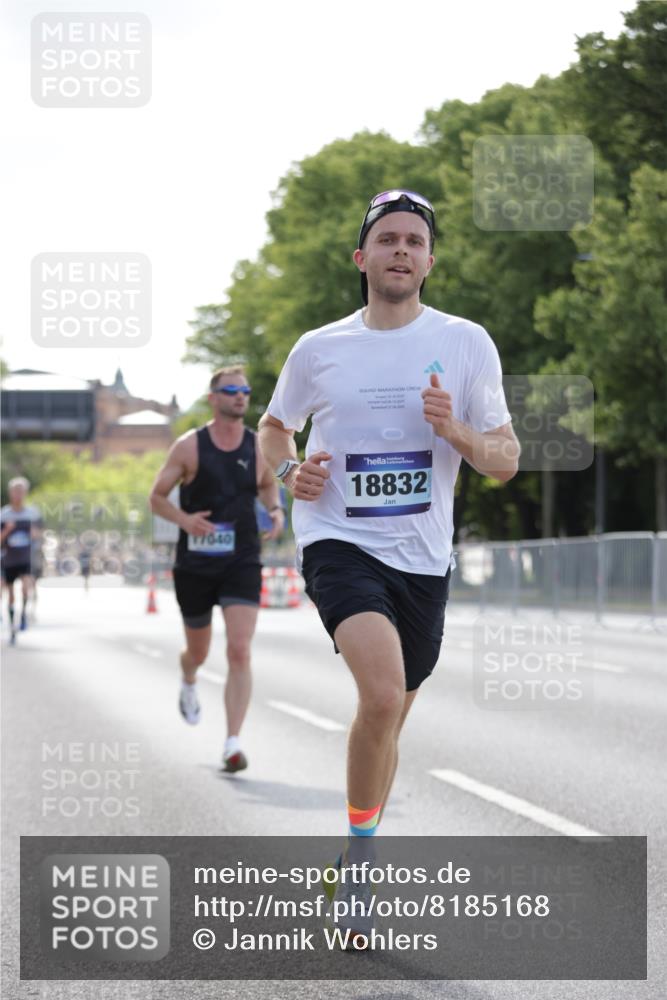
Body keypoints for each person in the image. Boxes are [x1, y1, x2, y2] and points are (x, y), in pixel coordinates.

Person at [258, 189, 520, 939]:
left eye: (413, 240)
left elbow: (504, 460)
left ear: (429, 261)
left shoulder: (466, 342)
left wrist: (456, 431)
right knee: (378, 699)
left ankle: (353, 850)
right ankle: (365, 877)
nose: (400, 250)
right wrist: (288, 475)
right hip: (338, 541)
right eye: (387, 239)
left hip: (423, 559)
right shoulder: (319, 348)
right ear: (361, 258)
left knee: (389, 723)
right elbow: (275, 430)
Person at [149, 365, 285, 772]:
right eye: (231, 390)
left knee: (240, 649)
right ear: (214, 398)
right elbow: (157, 497)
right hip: (195, 563)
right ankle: (189, 678)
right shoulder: (189, 447)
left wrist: (274, 509)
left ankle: (232, 742)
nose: (240, 396)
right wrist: (185, 521)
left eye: (245, 390)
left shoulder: (257, 446)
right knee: (199, 651)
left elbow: (266, 482)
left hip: (242, 557)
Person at [1, 477, 43, 644]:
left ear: (25, 493)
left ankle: (24, 614)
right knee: (10, 594)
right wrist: (7, 530)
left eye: (21, 491)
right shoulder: (4, 514)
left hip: (26, 558)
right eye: (15, 491)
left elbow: (41, 534)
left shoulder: (33, 513)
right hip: (9, 559)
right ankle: (12, 627)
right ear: (10, 493)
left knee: (26, 587)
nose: (18, 494)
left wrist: (34, 533)